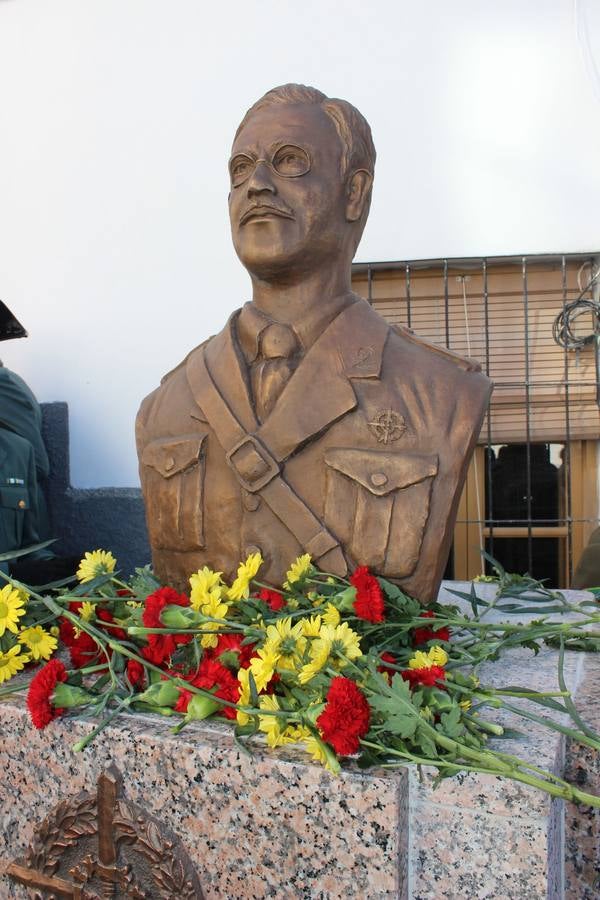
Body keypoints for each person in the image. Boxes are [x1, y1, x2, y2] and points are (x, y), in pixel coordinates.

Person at [136, 84, 492, 603]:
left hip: (365, 681)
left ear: (354, 193)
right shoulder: (164, 408)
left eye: (289, 162)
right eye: (240, 169)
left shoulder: (443, 394)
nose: (255, 184)